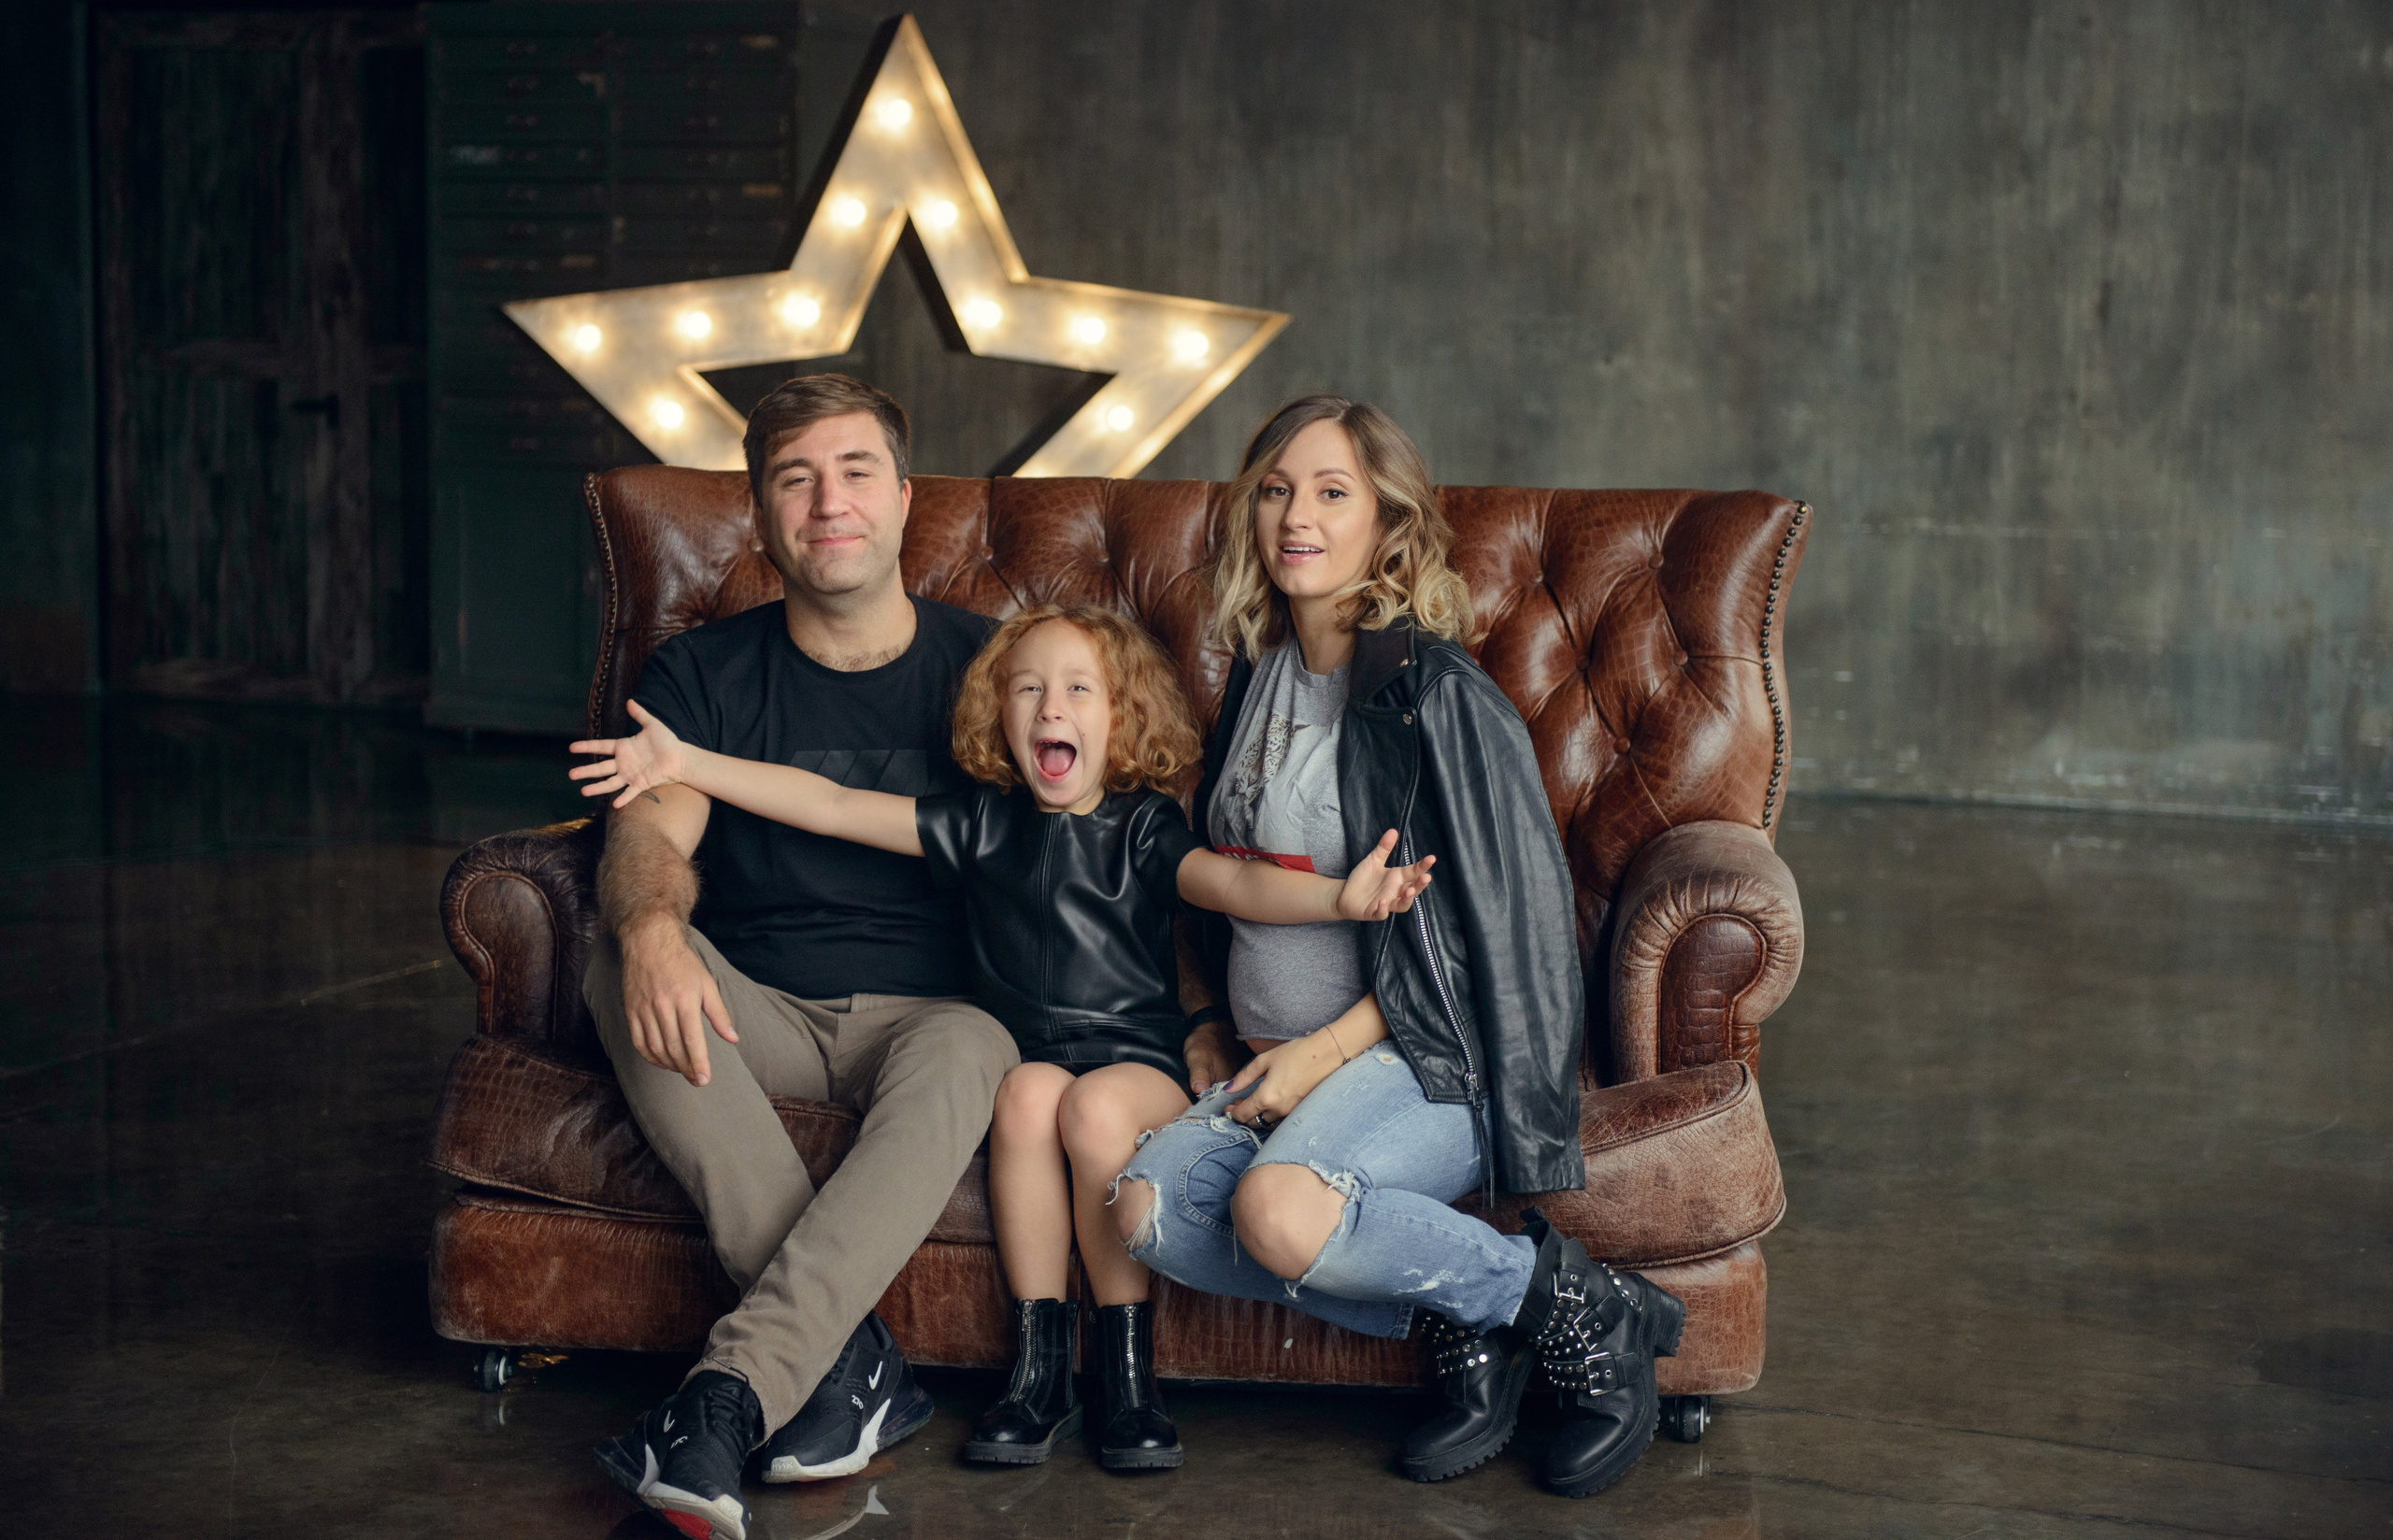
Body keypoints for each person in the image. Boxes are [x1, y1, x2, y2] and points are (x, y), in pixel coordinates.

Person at [571, 601, 1436, 1474]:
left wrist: (1339, 898)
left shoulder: (1142, 828)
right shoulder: (982, 825)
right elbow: (831, 804)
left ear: (1123, 715)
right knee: (1022, 1094)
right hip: (1031, 1061)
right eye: (1028, 689)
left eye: (1077, 690)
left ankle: (1130, 1378)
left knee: (1095, 1110)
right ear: (999, 714)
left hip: (1136, 1066)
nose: (1050, 708)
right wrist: (688, 762)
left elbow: (1237, 887)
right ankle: (1039, 1370)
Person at [1109, 396, 1686, 1500]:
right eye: (1276, 489)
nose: (1296, 516)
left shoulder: (1436, 696)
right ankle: (1477, 1317)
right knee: (1149, 1205)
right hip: (1278, 1057)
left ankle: (1582, 1315)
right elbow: (1219, 883)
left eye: (1333, 492)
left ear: (1388, 523)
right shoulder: (1258, 676)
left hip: (1429, 1058)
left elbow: (1493, 936)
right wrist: (1203, 1022)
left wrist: (1318, 1054)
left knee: (1274, 1208)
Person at [577, 374, 1019, 1540]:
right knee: (619, 955)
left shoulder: (994, 669)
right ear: (761, 516)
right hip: (755, 1006)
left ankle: (727, 1394)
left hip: (933, 1015)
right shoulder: (698, 679)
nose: (830, 502)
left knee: (979, 1042)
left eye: (856, 470)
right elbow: (649, 833)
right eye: (795, 478)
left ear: (906, 498)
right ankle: (845, 1369)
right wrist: (655, 929)